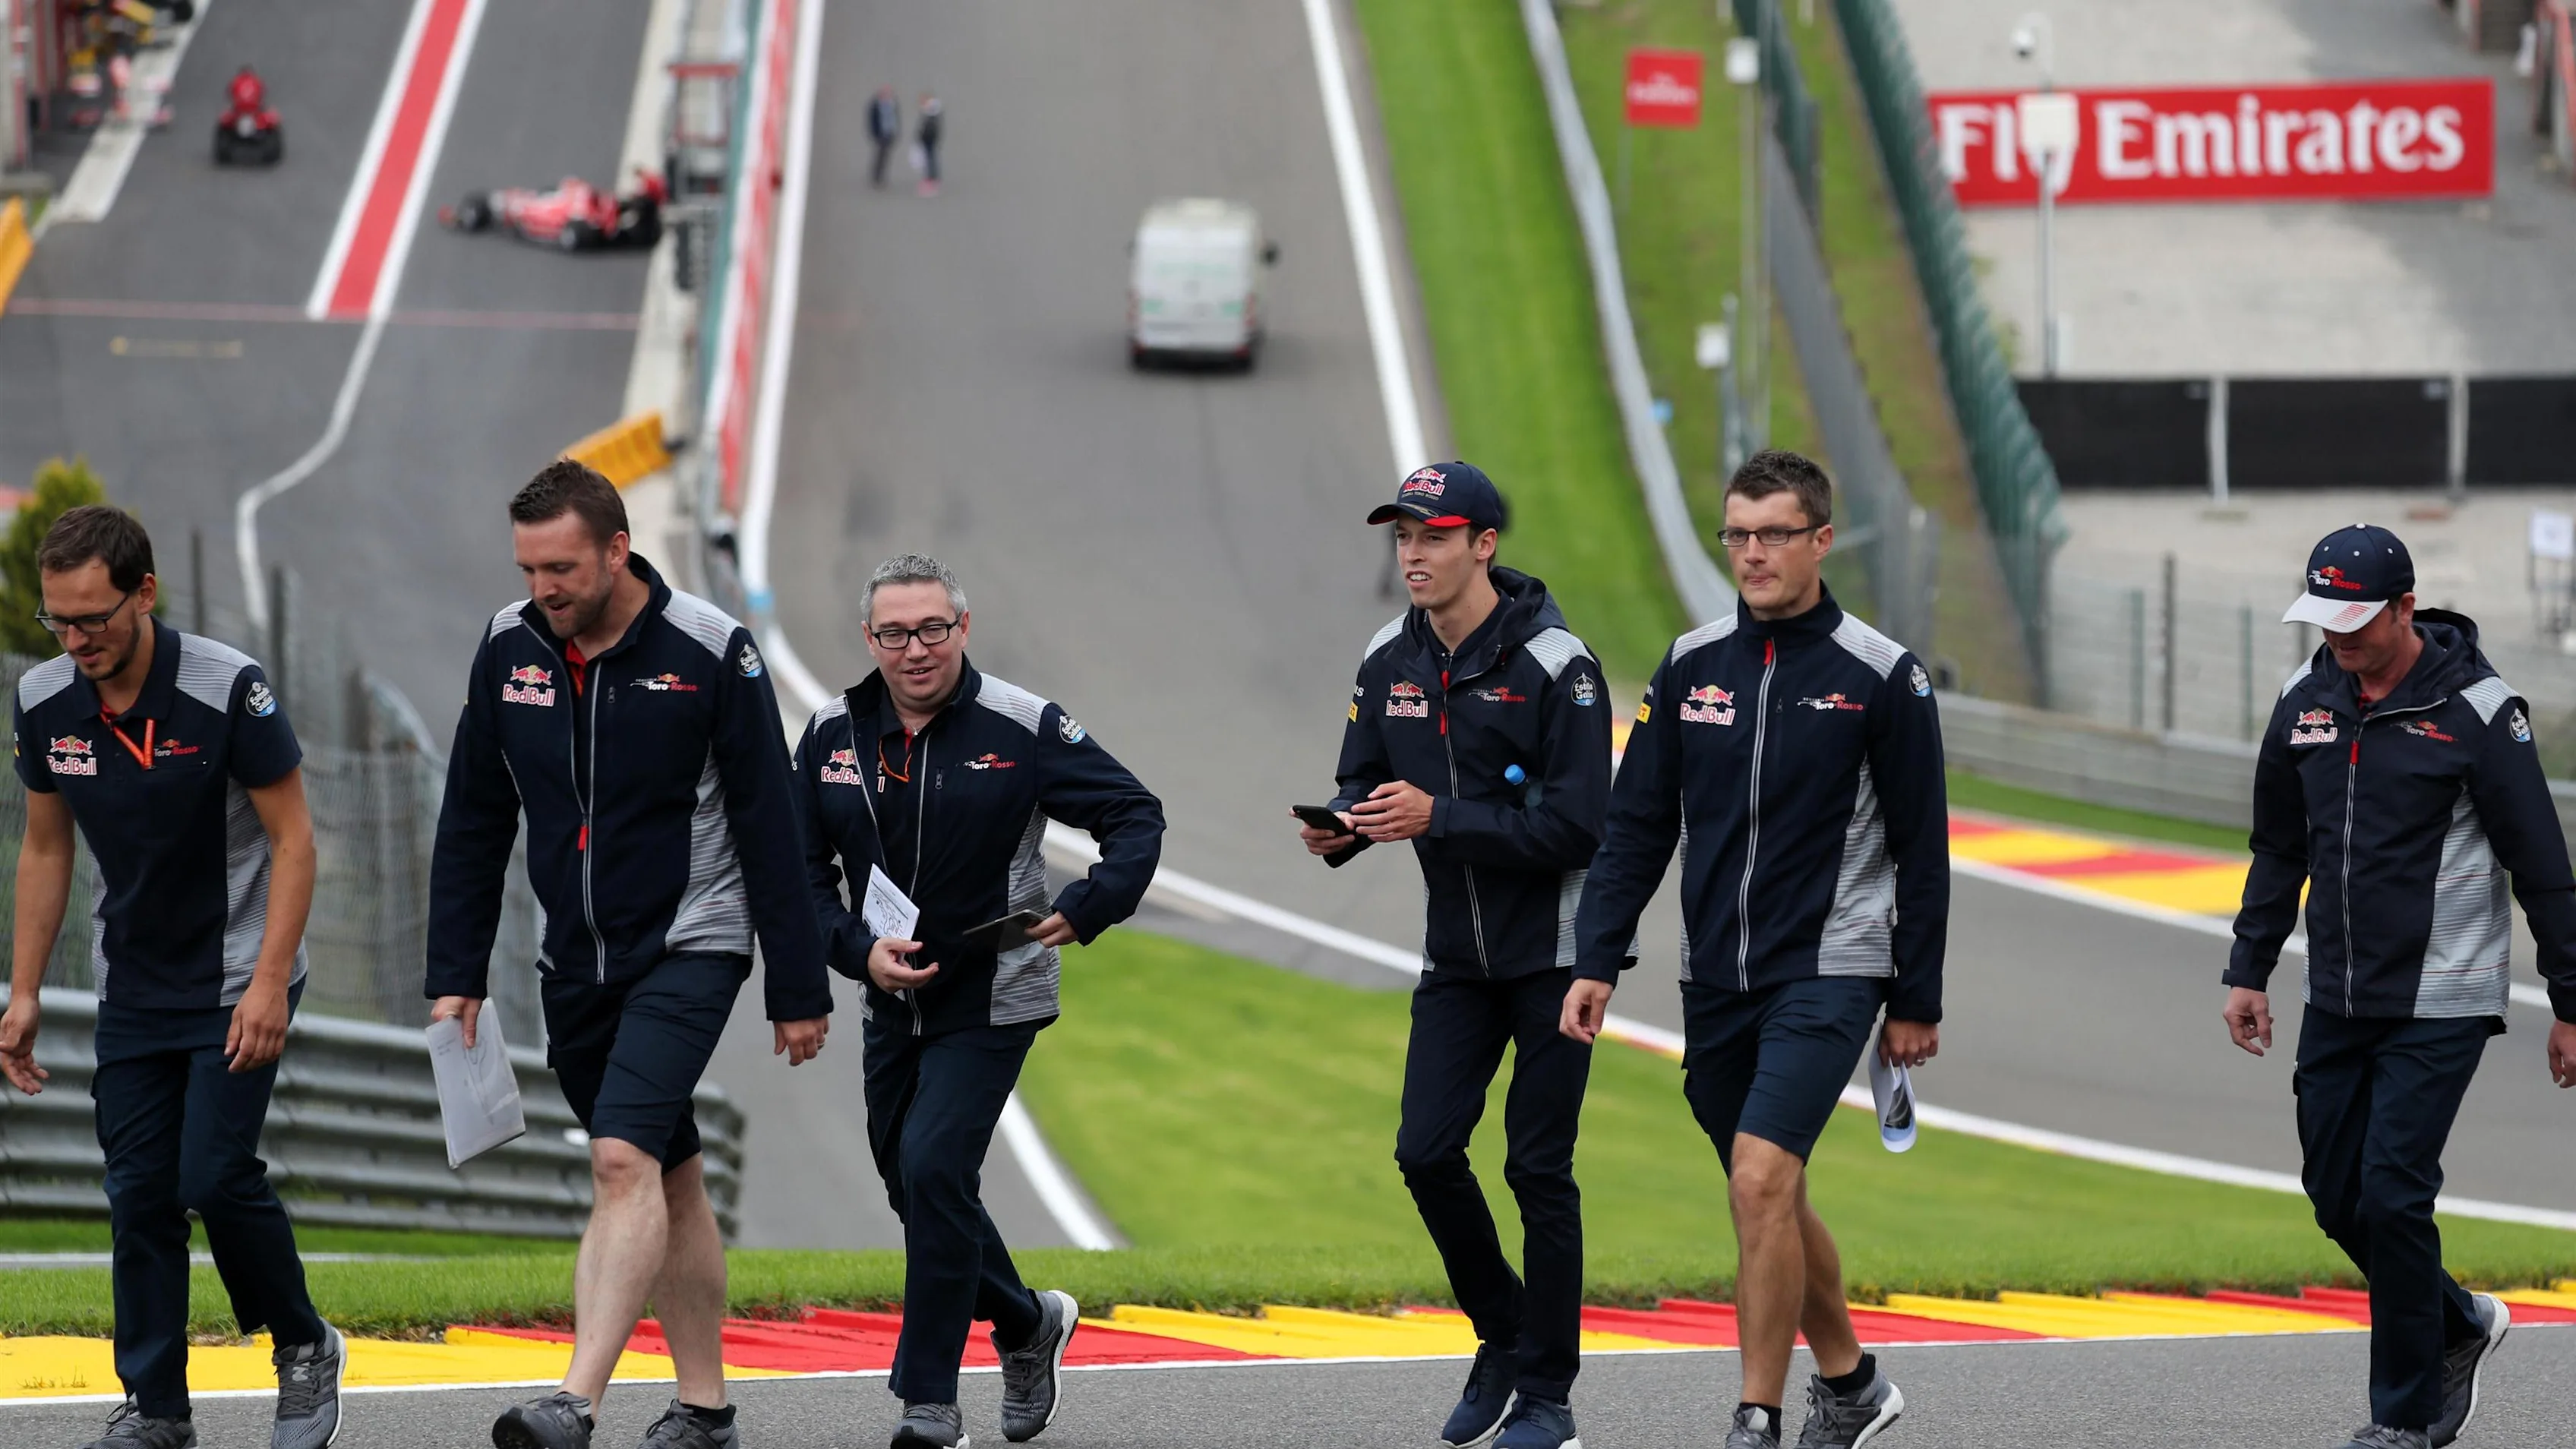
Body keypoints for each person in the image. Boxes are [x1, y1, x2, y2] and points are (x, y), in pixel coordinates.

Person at [425, 461, 831, 1449]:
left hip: (692, 939)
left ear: (616, 550)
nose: (544, 589)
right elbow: (475, 814)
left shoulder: (709, 652)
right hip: (575, 957)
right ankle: (705, 1411)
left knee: (618, 1159)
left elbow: (769, 821)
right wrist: (455, 972)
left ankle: (575, 1403)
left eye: (561, 567)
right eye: (529, 570)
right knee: (667, 1173)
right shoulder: (508, 647)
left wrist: (797, 983)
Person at [1565, 450, 1944, 1449]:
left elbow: (1924, 851)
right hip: (1716, 980)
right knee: (1768, 1189)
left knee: (1761, 1180)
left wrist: (1917, 998)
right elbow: (1638, 825)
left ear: (1820, 539)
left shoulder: (1881, 675)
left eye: (1775, 534)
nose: (1753, 553)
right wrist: (1596, 956)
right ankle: (1856, 1385)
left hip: (1833, 971)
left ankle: (1757, 1417)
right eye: (1738, 534)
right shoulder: (1692, 666)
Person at [793, 554, 1163, 1449]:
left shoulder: (1023, 724)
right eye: (893, 633)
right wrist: (856, 952)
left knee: (932, 1168)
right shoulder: (830, 734)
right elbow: (798, 871)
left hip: (996, 992)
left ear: (963, 628)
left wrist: (1085, 907)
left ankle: (929, 1402)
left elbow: (1135, 816)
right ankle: (1029, 1322)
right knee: (913, 1184)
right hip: (891, 996)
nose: (913, 649)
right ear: (868, 638)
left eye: (931, 629)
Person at [2225, 525, 2576, 1449]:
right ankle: (2456, 1322)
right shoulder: (2304, 700)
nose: (2337, 636)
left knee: (2390, 1194)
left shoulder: (2478, 711)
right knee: (2335, 1196)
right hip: (2335, 995)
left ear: (2402, 608)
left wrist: (2569, 1000)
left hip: (2443, 998)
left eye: (2354, 619)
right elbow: (2277, 846)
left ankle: (2403, 1420)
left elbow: (2541, 866)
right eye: (2322, 617)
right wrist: (2247, 968)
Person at [0, 505, 343, 1449]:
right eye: (58, 623)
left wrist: (271, 983)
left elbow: (296, 840)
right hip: (135, 983)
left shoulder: (226, 686)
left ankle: (306, 1345)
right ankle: (156, 1409)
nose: (77, 643)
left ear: (143, 595)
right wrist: (23, 992)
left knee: (214, 1174)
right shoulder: (42, 699)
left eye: (94, 620)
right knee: (140, 1193)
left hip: (239, 971)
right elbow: (43, 849)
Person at [1298, 462, 1612, 1449]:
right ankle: (1503, 1336)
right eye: (1402, 538)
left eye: (1433, 537)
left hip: (1558, 954)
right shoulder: (1386, 659)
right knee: (1425, 1152)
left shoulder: (1562, 665)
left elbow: (1578, 828)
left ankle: (1550, 1394)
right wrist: (1346, 826)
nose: (1413, 556)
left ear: (1484, 544)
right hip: (1457, 958)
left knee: (1536, 1167)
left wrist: (1443, 817)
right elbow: (1363, 778)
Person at [867, 87, 900, 188]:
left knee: (885, 157)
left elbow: (896, 119)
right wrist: (875, 134)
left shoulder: (893, 105)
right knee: (880, 157)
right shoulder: (876, 106)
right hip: (881, 134)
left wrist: (896, 132)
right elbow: (872, 122)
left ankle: (881, 177)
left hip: (890, 134)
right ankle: (876, 177)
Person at [914, 93, 942, 197]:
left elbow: (928, 130)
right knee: (931, 160)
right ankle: (932, 180)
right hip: (929, 141)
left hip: (929, 141)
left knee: (930, 161)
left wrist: (922, 138)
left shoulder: (931, 114)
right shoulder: (933, 113)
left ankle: (931, 181)